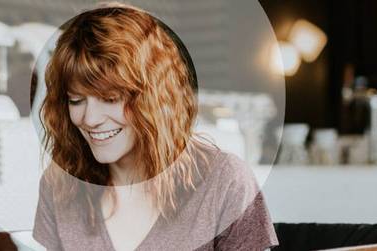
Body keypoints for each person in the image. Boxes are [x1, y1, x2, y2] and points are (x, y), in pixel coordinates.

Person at [32, 3, 278, 250]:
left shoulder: (226, 182)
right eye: (76, 100)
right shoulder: (59, 186)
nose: (90, 118)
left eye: (110, 98)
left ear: (153, 96)